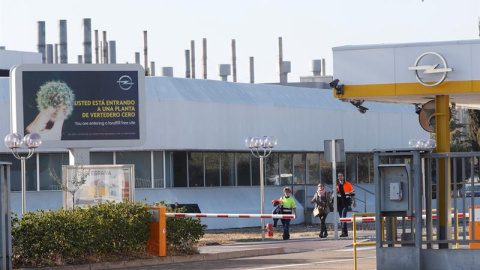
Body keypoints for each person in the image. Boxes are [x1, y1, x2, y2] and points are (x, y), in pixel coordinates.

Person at [336, 172, 356, 237]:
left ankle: (343, 232)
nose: (340, 177)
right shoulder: (337, 185)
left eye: (341, 176)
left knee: (343, 216)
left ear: (343, 177)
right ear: (337, 177)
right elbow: (334, 194)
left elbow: (352, 193)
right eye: (339, 176)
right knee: (341, 218)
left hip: (346, 203)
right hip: (339, 204)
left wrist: (354, 201)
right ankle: (345, 232)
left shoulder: (348, 184)